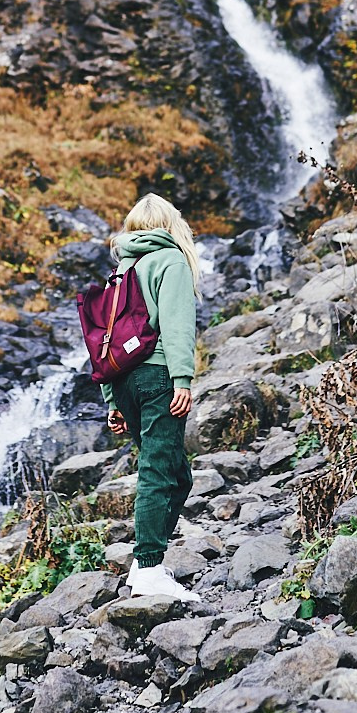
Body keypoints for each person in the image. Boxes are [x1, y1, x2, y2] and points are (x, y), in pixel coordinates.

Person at [102, 192, 200, 604]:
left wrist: (112, 400)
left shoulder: (121, 269)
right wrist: (183, 379)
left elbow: (103, 339)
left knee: (178, 475)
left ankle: (147, 564)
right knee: (159, 472)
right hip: (158, 375)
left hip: (125, 380)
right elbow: (177, 326)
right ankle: (148, 569)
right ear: (170, 224)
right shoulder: (171, 259)